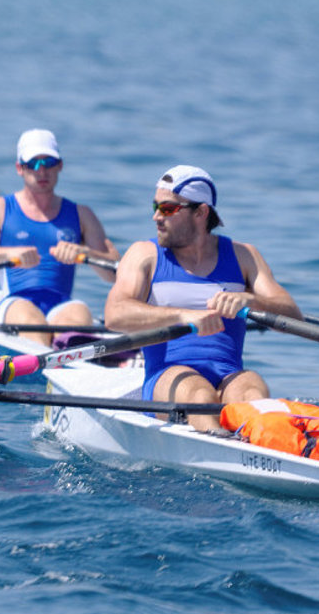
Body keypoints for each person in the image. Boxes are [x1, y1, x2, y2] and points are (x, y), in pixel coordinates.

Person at [103, 165, 301, 431]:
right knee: (199, 395)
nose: (156, 217)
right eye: (155, 207)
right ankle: (220, 441)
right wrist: (183, 314)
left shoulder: (244, 256)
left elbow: (292, 315)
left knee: (253, 390)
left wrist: (250, 300)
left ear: (201, 212)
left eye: (167, 208)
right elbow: (115, 314)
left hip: (229, 376)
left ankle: (268, 440)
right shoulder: (144, 255)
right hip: (167, 378)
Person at [0, 129, 119, 345]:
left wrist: (86, 253)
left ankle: (69, 355)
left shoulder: (82, 215)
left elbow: (115, 273)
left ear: (60, 165)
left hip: (63, 305)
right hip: (16, 302)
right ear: (20, 168)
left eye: (49, 163)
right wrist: (7, 254)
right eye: (33, 164)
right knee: (33, 324)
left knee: (78, 316)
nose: (41, 171)